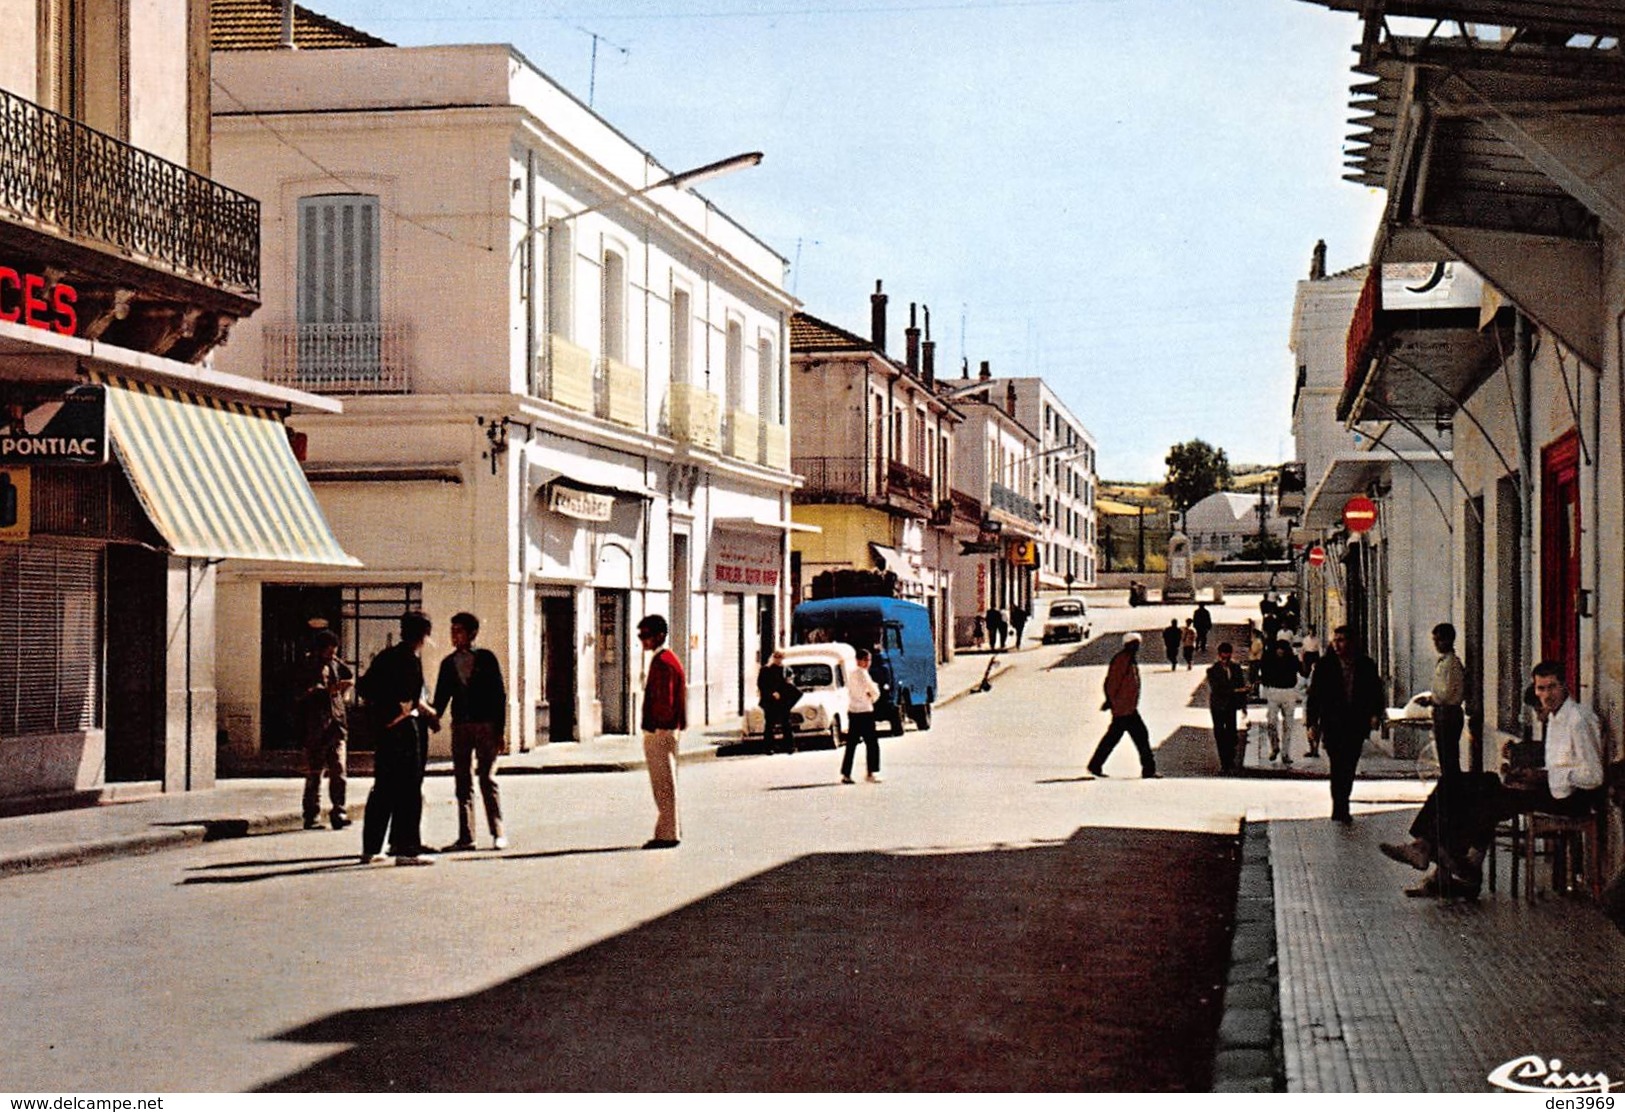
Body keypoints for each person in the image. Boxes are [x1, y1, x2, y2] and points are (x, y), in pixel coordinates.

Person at [1381, 661, 1606, 898]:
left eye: (1551, 688)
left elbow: (1594, 776)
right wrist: (1536, 775)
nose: (1546, 695)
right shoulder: (1556, 718)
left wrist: (1548, 776)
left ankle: (1456, 864)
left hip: (1571, 799)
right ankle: (1426, 846)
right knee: (1461, 782)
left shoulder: (1578, 720)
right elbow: (1562, 763)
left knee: (1487, 797)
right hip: (1553, 788)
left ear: (1564, 686)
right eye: (1541, 688)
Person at [358, 611, 440, 865]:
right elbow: (414, 699)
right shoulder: (410, 659)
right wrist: (431, 715)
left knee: (382, 788)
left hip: (385, 731)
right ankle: (406, 848)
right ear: (424, 634)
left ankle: (371, 848)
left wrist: (382, 709)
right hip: (406, 729)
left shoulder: (386, 656)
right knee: (409, 788)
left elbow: (364, 687)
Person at [432, 612, 508, 852]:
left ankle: (498, 832)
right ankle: (467, 837)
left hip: (486, 725)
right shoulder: (447, 663)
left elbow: (499, 695)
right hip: (461, 726)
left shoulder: (487, 658)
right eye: (452, 631)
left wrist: (500, 730)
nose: (454, 635)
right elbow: (441, 698)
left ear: (472, 633)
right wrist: (432, 717)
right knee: (462, 782)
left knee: (487, 779)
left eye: (459, 630)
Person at [1303, 625, 1385, 824]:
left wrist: (1376, 714)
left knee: (1349, 765)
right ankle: (1339, 806)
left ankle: (1344, 799)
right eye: (1335, 640)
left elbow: (1376, 691)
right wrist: (1312, 724)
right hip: (1332, 724)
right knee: (1337, 764)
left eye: (1342, 640)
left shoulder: (1365, 665)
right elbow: (1314, 697)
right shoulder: (1325, 665)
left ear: (1352, 642)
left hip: (1356, 723)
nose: (1337, 644)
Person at [637, 614, 686, 849]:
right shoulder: (667, 659)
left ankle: (667, 834)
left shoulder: (664, 662)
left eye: (646, 636)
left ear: (660, 635)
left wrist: (659, 726)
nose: (642, 641)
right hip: (665, 729)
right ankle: (671, 829)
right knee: (666, 782)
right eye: (640, 636)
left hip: (661, 730)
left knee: (663, 784)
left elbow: (665, 700)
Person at [296, 629, 352, 831]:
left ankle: (339, 810)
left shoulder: (336, 665)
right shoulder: (309, 666)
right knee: (315, 773)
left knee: (339, 770)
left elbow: (350, 675)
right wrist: (329, 690)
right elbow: (308, 692)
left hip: (336, 724)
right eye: (329, 651)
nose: (332, 655)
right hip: (316, 725)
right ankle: (312, 814)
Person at [1087, 632, 1159, 779]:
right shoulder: (1122, 660)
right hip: (1124, 709)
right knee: (1141, 737)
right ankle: (1148, 770)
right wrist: (1111, 701)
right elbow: (1112, 682)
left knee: (1113, 738)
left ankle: (1095, 765)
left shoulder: (1129, 659)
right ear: (1128, 645)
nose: (1138, 647)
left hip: (1127, 707)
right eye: (1135, 644)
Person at [1413, 622, 1466, 778]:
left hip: (1448, 713)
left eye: (1439, 640)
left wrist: (1430, 699)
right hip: (1442, 711)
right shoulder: (1443, 662)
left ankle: (1451, 789)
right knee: (1444, 757)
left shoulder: (1452, 664)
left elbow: (1446, 693)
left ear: (1449, 640)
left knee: (1448, 757)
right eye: (1435, 640)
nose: (1436, 644)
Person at [840, 647, 883, 784]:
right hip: (865, 712)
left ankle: (846, 773)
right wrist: (872, 697)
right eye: (867, 660)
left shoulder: (851, 674)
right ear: (860, 661)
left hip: (853, 711)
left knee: (851, 745)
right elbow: (874, 691)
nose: (868, 662)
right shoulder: (863, 674)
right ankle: (871, 772)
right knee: (872, 744)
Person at [1206, 642, 1249, 774]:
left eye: (1228, 657)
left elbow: (1241, 686)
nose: (1225, 660)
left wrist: (1243, 705)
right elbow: (1217, 688)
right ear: (1219, 656)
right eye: (1223, 657)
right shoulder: (1212, 671)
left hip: (1231, 706)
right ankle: (1224, 763)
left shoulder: (1236, 668)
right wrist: (1236, 689)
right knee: (1220, 734)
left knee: (1231, 733)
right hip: (1218, 706)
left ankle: (1230, 758)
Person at [1260, 636, 1303, 765]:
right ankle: (1275, 746)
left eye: (1282, 649)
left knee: (1288, 725)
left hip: (1289, 691)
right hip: (1274, 691)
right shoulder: (1269, 659)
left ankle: (1285, 753)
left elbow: (1302, 671)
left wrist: (1301, 659)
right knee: (1271, 722)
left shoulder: (1292, 660)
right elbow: (1264, 672)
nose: (1280, 652)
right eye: (1278, 649)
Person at [757, 650, 801, 755]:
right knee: (770, 725)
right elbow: (761, 684)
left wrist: (784, 692)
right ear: (773, 658)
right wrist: (771, 693)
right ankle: (769, 748)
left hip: (783, 701)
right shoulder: (765, 670)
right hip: (770, 702)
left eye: (781, 657)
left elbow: (790, 685)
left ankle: (790, 747)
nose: (778, 659)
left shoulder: (786, 670)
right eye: (776, 657)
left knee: (786, 724)